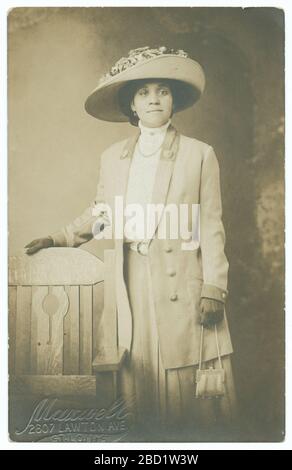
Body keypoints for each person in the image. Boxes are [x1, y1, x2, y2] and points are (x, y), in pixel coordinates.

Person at [25, 46, 237, 439]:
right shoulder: (113, 158)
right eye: (143, 92)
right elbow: (102, 214)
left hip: (181, 279)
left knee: (182, 369)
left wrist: (214, 287)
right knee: (137, 367)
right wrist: (59, 237)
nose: (154, 98)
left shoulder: (199, 155)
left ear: (174, 99)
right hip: (131, 278)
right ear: (131, 105)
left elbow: (211, 225)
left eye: (162, 90)